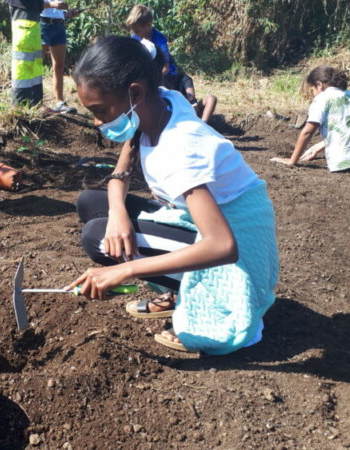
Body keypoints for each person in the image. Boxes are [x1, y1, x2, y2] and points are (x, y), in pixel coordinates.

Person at [67, 36, 279, 355]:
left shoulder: (181, 146)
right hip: (205, 221)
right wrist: (119, 216)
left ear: (134, 91)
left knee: (95, 236)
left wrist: (122, 269)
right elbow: (119, 175)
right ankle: (180, 287)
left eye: (100, 111)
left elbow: (223, 246)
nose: (98, 123)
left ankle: (198, 295)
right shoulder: (156, 106)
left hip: (239, 250)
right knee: (93, 204)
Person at [125, 5, 217, 123]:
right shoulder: (135, 40)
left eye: (138, 31)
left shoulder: (159, 39)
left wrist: (152, 81)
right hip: (156, 81)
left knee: (193, 97)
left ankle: (203, 124)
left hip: (168, 79)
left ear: (148, 26)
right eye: (134, 31)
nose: (136, 34)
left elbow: (166, 68)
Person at [6, 0, 69, 106]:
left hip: (37, 25)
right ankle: (22, 104)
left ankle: (37, 103)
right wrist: (51, 5)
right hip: (32, 24)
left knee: (36, 65)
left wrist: (64, 13)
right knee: (27, 64)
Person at [40, 3, 81, 113]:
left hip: (59, 26)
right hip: (42, 24)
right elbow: (34, 4)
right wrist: (54, 5)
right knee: (37, 66)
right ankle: (37, 102)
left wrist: (67, 14)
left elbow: (56, 12)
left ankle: (60, 102)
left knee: (59, 66)